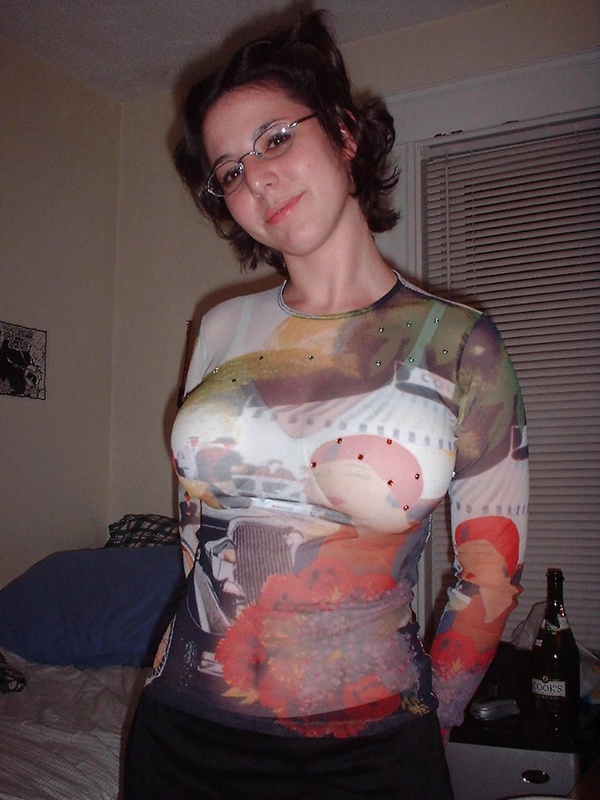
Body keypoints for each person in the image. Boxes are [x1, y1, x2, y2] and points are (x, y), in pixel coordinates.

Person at [123, 10, 528, 800]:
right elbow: (195, 534)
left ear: (344, 134)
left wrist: (426, 723)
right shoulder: (219, 325)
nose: (257, 180)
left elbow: (491, 576)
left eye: (275, 139)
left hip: (373, 752)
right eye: (230, 171)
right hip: (183, 735)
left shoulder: (461, 344)